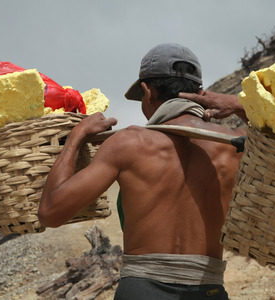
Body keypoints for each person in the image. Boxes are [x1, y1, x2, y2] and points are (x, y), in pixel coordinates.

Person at [38, 43, 246, 300]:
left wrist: (75, 138)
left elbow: (50, 212)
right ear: (202, 93)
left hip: (142, 291)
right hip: (209, 291)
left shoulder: (128, 143)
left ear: (147, 92)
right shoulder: (235, 144)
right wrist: (238, 105)